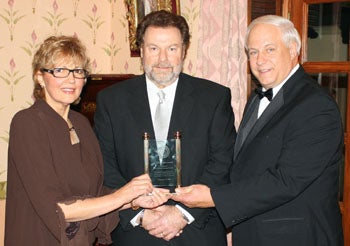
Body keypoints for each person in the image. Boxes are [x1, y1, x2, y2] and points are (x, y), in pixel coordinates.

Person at [173, 15, 344, 246]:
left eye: (269, 49)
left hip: (296, 237)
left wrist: (214, 198)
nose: (260, 60)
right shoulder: (257, 97)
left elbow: (286, 180)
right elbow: (245, 166)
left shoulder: (316, 106)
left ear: (293, 49)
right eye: (253, 52)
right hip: (255, 232)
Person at [5, 35, 169, 246]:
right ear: (40, 77)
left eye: (78, 71)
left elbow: (96, 195)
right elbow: (59, 209)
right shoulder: (27, 123)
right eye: (60, 70)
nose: (71, 79)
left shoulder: (81, 123)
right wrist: (122, 195)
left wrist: (134, 200)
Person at [93, 10, 236, 246]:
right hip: (134, 233)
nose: (162, 59)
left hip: (197, 231)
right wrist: (140, 214)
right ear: (141, 50)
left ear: (184, 50)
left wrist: (181, 214)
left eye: (171, 48)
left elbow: (223, 163)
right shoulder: (111, 100)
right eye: (153, 48)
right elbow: (104, 166)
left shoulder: (214, 98)